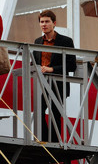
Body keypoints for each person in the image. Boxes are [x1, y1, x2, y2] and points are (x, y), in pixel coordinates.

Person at [32, 9, 76, 142]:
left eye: (47, 21)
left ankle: (54, 142)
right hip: (42, 83)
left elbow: (71, 65)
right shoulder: (38, 41)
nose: (44, 24)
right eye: (41, 22)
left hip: (59, 83)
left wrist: (51, 69)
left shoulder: (66, 41)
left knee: (55, 113)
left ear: (54, 23)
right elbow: (34, 61)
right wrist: (36, 67)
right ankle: (45, 140)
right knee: (39, 111)